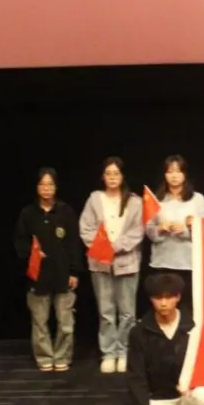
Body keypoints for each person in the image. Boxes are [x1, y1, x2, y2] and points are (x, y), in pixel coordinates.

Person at [126, 273, 204, 405]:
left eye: (169, 297)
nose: (163, 303)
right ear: (151, 299)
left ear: (178, 297)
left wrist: (193, 383)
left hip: (190, 391)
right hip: (160, 396)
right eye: (158, 298)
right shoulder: (140, 332)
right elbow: (136, 376)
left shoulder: (195, 326)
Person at [12, 167, 84, 372]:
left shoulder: (66, 211)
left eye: (50, 184)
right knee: (39, 321)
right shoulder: (28, 213)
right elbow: (20, 242)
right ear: (37, 187)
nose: (46, 188)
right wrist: (32, 253)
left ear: (56, 187)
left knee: (65, 321)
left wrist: (74, 272)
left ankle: (62, 356)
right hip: (37, 275)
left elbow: (74, 243)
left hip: (63, 275)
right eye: (42, 184)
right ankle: (44, 356)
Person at [80, 157, 144, 374]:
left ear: (122, 176)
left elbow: (138, 231)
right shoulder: (95, 199)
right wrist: (102, 247)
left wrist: (115, 246)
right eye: (109, 174)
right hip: (100, 262)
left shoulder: (134, 201)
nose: (112, 177)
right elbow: (86, 228)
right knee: (106, 311)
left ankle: (124, 352)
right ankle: (108, 353)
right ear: (103, 177)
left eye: (116, 173)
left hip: (127, 262)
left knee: (127, 312)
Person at [146, 155, 204, 314]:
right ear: (164, 175)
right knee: (163, 306)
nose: (174, 176)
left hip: (188, 263)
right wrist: (160, 228)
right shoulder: (157, 199)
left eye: (178, 171)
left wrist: (185, 229)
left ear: (185, 174)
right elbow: (148, 229)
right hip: (162, 262)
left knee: (187, 306)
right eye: (170, 172)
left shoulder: (197, 199)